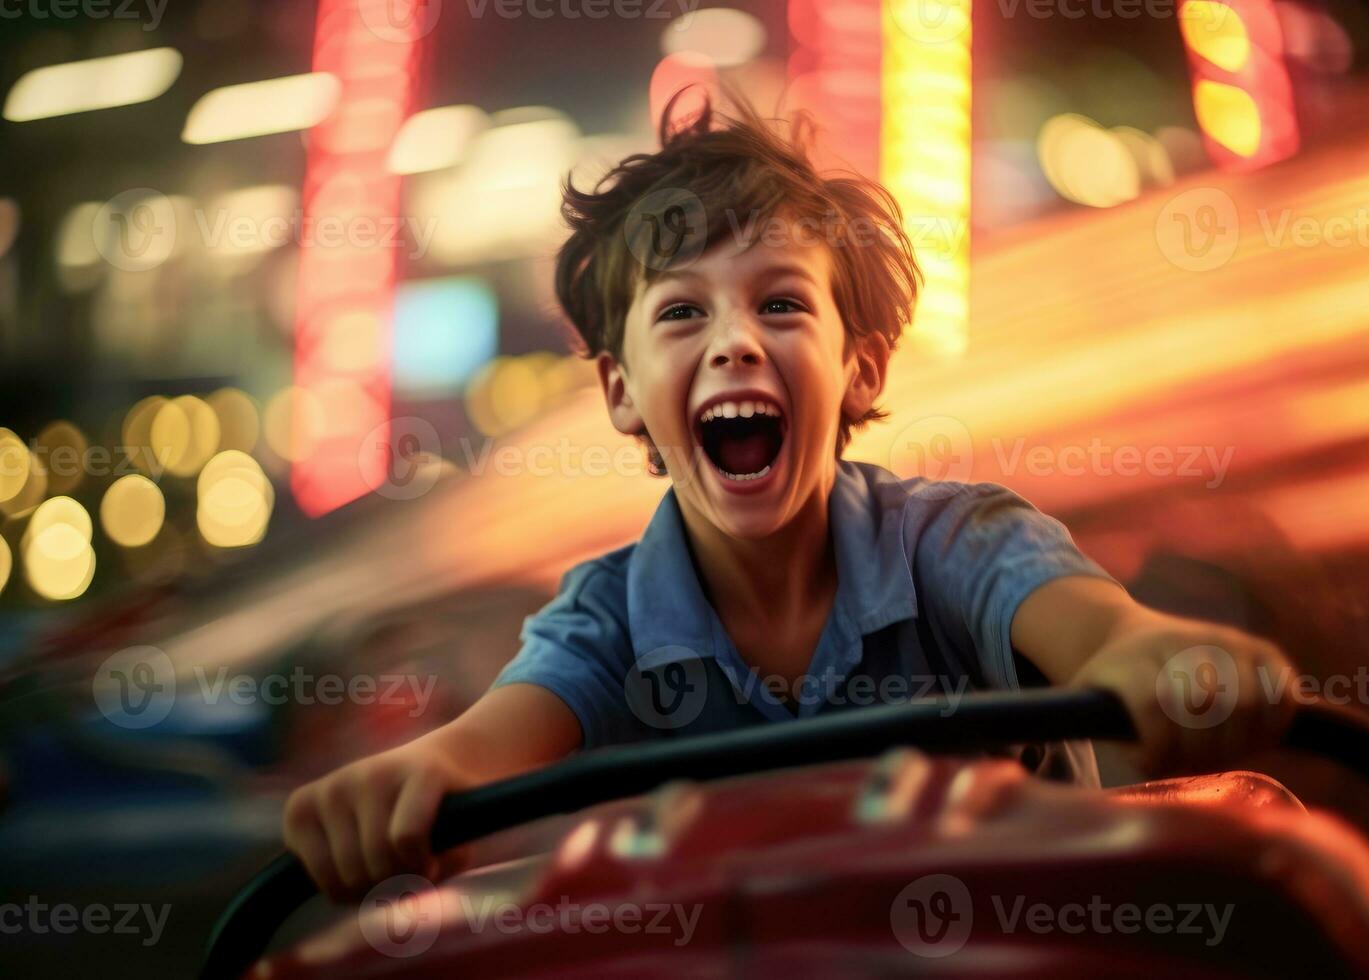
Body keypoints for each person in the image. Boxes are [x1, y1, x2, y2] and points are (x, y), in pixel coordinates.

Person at [284, 95, 1297, 901]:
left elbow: (1103, 633)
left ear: (859, 369)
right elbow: (480, 747)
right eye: (682, 311)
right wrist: (409, 784)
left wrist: (1160, 660)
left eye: (780, 303)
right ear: (621, 391)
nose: (734, 340)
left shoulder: (956, 542)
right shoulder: (607, 620)